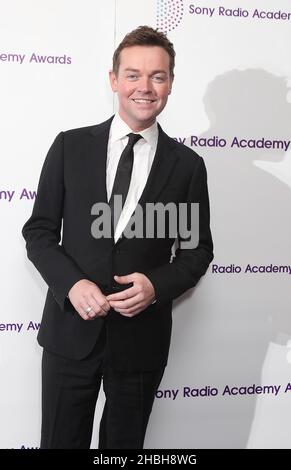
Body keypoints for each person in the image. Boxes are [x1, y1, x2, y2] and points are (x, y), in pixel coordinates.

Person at [22, 25, 213, 449]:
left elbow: (197, 250)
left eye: (157, 76)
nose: (144, 87)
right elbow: (38, 232)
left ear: (170, 84)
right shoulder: (70, 147)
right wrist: (72, 284)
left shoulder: (187, 165)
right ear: (114, 80)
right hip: (70, 335)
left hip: (140, 341)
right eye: (132, 75)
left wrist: (155, 286)